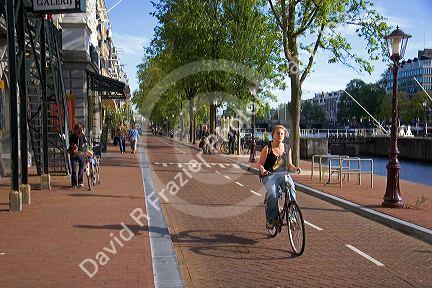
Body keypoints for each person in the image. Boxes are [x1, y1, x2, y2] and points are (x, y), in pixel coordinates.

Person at [257, 125, 301, 229]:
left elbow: (289, 165)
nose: (280, 135)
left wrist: (295, 169)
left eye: (282, 133)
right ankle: (271, 219)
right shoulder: (267, 148)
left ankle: (292, 216)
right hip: (269, 175)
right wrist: (263, 170)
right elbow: (260, 164)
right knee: (273, 194)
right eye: (278, 133)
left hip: (282, 174)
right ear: (273, 135)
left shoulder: (287, 148)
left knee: (291, 189)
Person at [69, 122, 87, 188]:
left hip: (77, 154)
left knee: (76, 169)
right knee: (78, 168)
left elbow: (85, 142)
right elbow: (85, 142)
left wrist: (73, 146)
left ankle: (76, 183)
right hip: (77, 154)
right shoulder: (77, 135)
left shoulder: (79, 135)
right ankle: (78, 182)